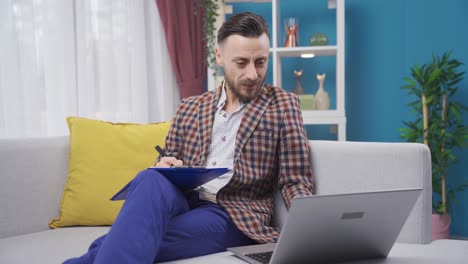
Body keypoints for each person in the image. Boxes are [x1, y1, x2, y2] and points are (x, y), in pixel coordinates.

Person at [64, 12, 313, 264]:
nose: (252, 73)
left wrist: (311, 226)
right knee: (150, 177)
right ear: (219, 57)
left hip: (232, 214)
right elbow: (169, 157)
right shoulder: (191, 106)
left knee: (116, 241)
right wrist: (166, 165)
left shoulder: (283, 104)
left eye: (260, 62)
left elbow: (295, 179)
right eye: (241, 63)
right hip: (184, 200)